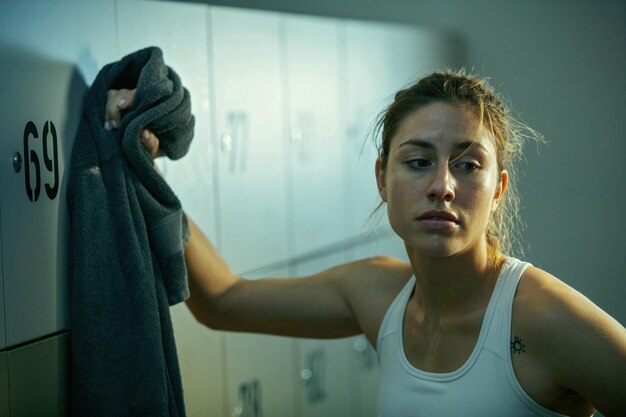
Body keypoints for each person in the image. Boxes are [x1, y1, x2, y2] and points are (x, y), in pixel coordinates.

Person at [105, 71, 626, 416]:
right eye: (418, 161)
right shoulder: (379, 296)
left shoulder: (542, 317)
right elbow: (222, 300)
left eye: (468, 165)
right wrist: (143, 167)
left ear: (498, 190)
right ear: (383, 179)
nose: (442, 184)